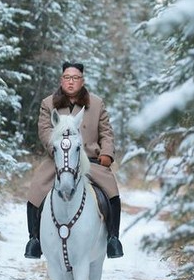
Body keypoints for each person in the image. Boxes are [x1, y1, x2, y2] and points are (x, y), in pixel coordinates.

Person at [24, 61, 124, 259]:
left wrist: (107, 153)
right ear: (62, 80)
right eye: (67, 78)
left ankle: (113, 238)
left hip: (91, 161)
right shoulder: (48, 103)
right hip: (59, 160)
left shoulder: (96, 104)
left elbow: (107, 132)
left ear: (82, 80)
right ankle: (34, 239)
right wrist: (56, 150)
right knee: (35, 192)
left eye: (75, 78)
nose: (71, 82)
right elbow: (45, 131)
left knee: (112, 194)